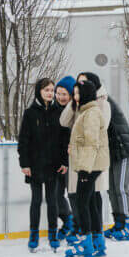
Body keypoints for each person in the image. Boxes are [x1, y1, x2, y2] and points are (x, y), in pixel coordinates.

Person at [78, 72, 129, 241]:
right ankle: (118, 223)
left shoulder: (102, 101)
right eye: (79, 83)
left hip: (124, 149)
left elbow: (100, 128)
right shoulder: (92, 103)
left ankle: (127, 224)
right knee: (111, 189)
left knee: (120, 187)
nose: (81, 86)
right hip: (113, 152)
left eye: (84, 82)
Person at [18, 78, 69, 252]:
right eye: (46, 90)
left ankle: (53, 234)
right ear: (39, 91)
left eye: (51, 90)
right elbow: (23, 140)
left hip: (53, 165)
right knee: (36, 200)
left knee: (53, 200)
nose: (50, 93)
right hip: (35, 165)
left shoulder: (57, 112)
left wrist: (64, 161)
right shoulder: (30, 113)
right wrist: (24, 163)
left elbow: (64, 140)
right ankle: (33, 234)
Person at [59, 76, 109, 249]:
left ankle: (87, 241)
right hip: (89, 163)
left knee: (83, 202)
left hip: (89, 165)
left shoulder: (91, 113)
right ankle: (97, 239)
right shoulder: (85, 111)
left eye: (77, 93)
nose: (75, 96)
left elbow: (91, 142)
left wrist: (84, 169)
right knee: (90, 202)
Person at [53, 76, 77, 239]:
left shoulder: (76, 111)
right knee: (55, 194)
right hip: (56, 161)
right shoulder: (52, 109)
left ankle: (77, 224)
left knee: (73, 193)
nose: (61, 97)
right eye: (58, 93)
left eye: (64, 94)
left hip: (72, 160)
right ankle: (67, 220)